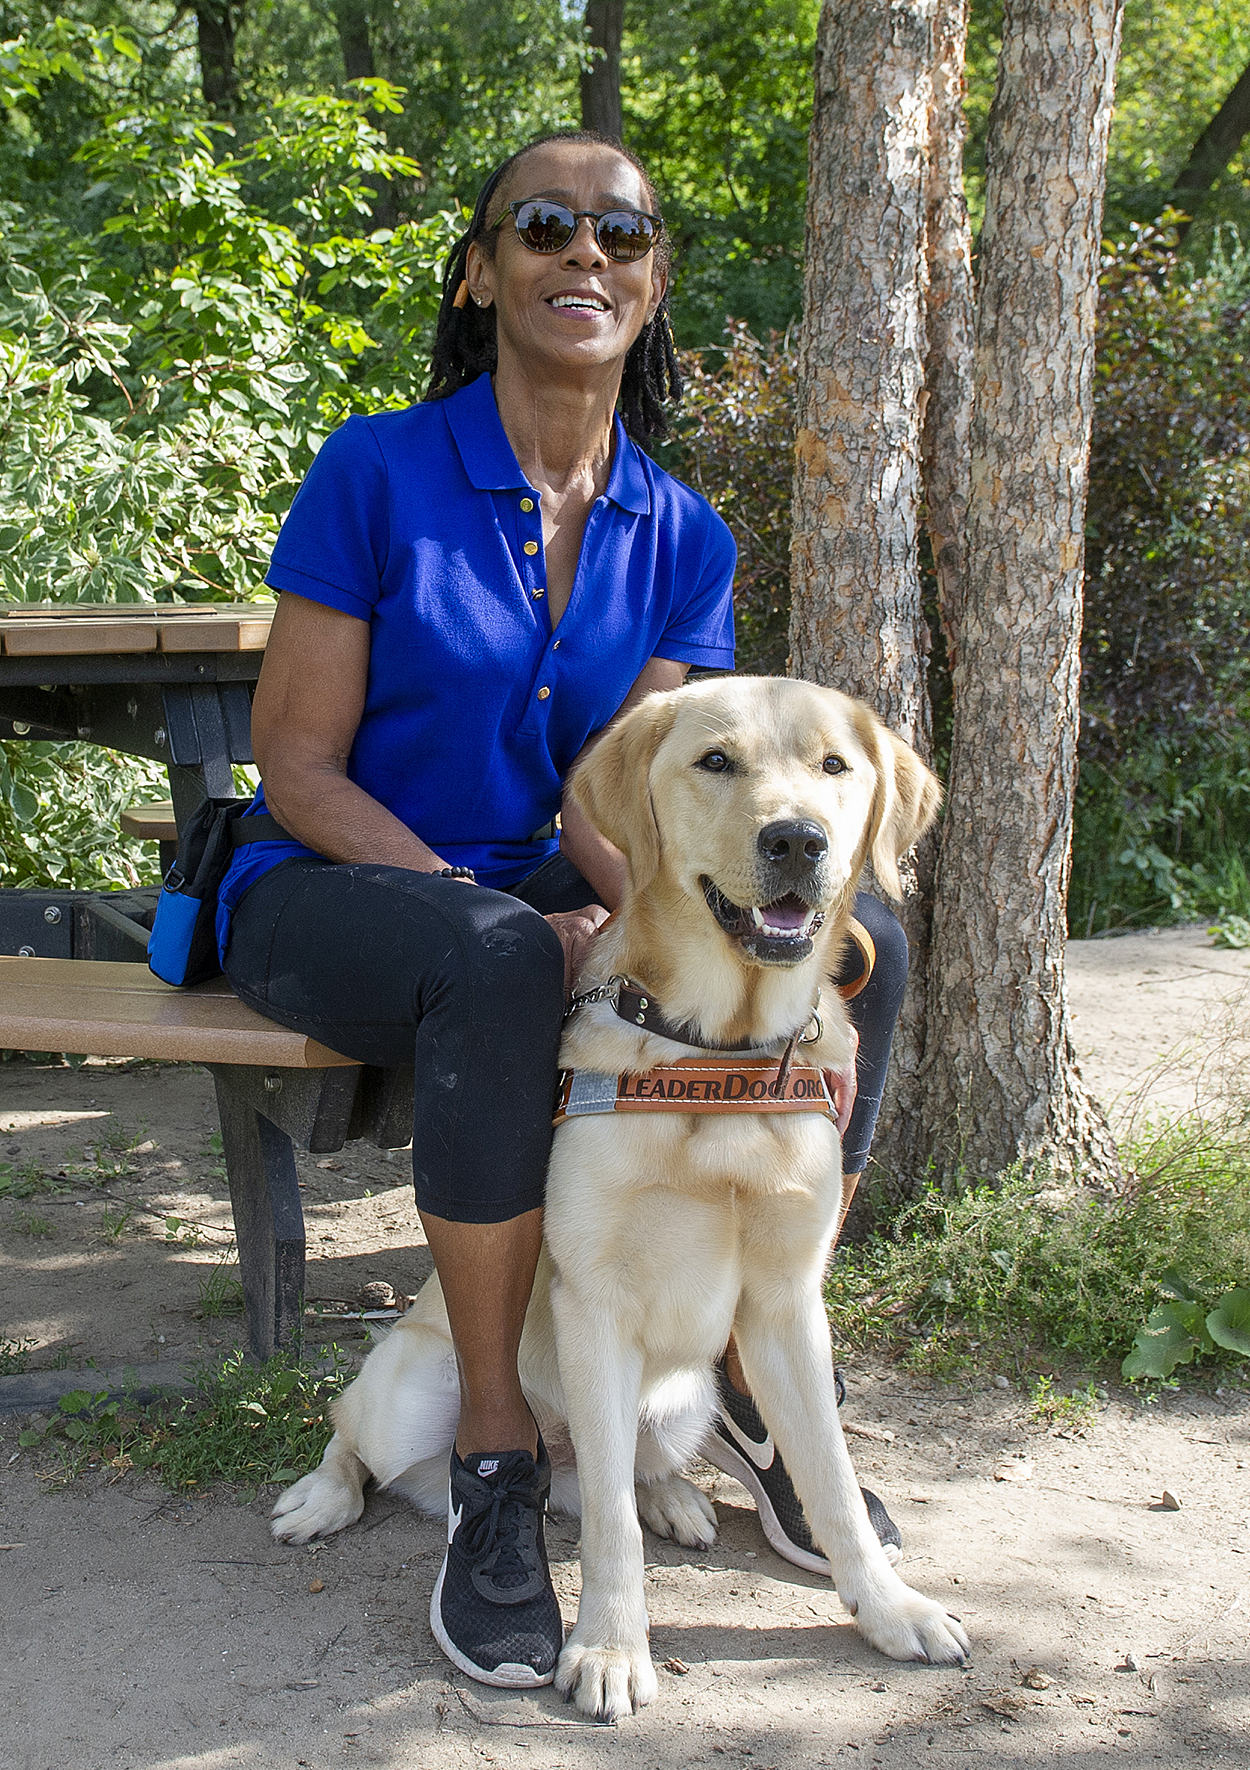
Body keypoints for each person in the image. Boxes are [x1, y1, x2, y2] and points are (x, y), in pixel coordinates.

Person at [217, 130, 909, 1692]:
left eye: (620, 233)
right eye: (544, 226)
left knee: (871, 949)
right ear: (483, 271)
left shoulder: (686, 531)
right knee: (495, 963)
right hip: (330, 878)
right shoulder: (376, 469)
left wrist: (648, 924)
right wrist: (510, 911)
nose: (582, 253)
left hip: (542, 878)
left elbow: (662, 806)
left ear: (653, 286)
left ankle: (754, 1364)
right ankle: (494, 1453)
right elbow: (300, 769)